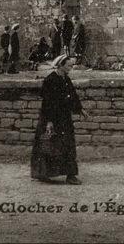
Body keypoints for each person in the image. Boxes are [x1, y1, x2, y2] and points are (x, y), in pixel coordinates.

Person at [31, 54, 88, 184]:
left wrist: (80, 109)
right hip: (51, 118)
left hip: (64, 118)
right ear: (61, 65)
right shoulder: (50, 80)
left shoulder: (66, 79)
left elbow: (72, 96)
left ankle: (70, 175)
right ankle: (43, 173)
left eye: (72, 66)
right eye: (69, 66)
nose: (71, 68)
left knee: (67, 145)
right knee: (48, 145)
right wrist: (49, 122)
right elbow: (47, 103)